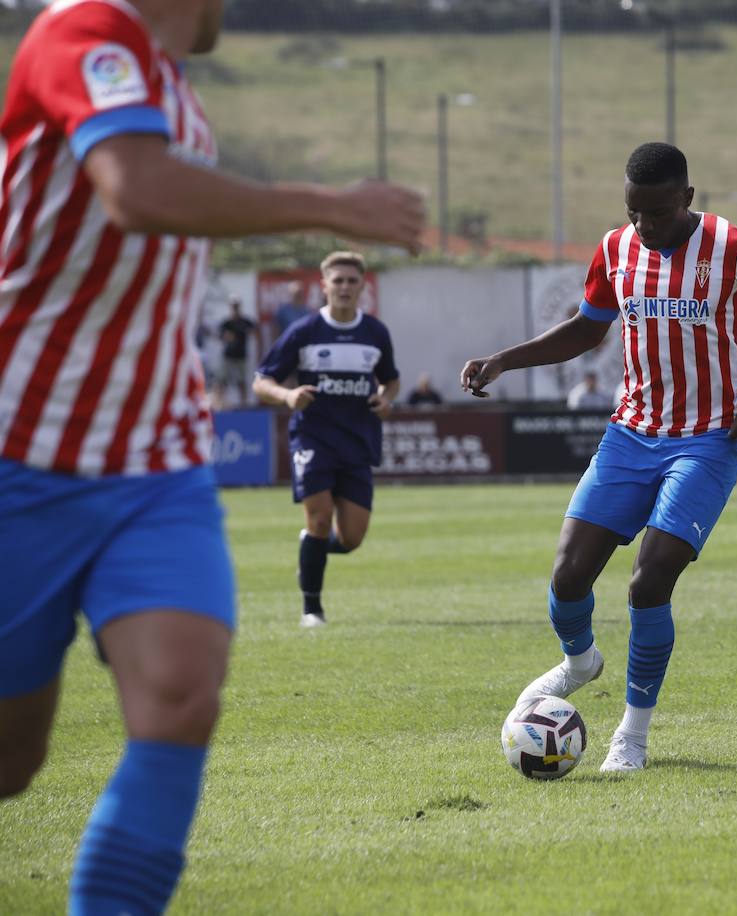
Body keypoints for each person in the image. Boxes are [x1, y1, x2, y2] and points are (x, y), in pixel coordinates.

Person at [0, 2, 424, 913]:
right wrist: (331, 205)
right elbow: (135, 190)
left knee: (183, 697)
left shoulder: (174, 89)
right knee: (12, 761)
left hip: (157, 459)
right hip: (19, 455)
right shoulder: (79, 34)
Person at [462, 142, 737, 772]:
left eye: (656, 213)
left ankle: (633, 732)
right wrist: (504, 359)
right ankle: (580, 663)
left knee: (649, 579)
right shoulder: (615, 248)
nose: (644, 227)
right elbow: (585, 328)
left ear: (687, 198)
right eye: (634, 213)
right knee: (569, 575)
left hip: (709, 438)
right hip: (631, 433)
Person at [253, 251, 400, 628]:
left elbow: (391, 379)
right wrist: (287, 396)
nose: (345, 287)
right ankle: (312, 610)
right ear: (324, 286)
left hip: (358, 440)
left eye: (352, 281)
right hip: (313, 437)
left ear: (362, 286)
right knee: (319, 518)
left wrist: (386, 399)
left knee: (351, 538)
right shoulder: (304, 332)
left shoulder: (375, 332)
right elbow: (261, 381)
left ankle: (311, 549)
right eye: (338, 281)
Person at [217, 297, 256, 407]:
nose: (235, 308)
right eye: (233, 306)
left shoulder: (245, 321)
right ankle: (219, 403)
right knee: (223, 380)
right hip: (228, 356)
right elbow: (220, 337)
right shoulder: (226, 323)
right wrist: (227, 337)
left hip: (241, 356)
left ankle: (243, 403)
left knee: (241, 381)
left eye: (237, 306)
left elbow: (254, 330)